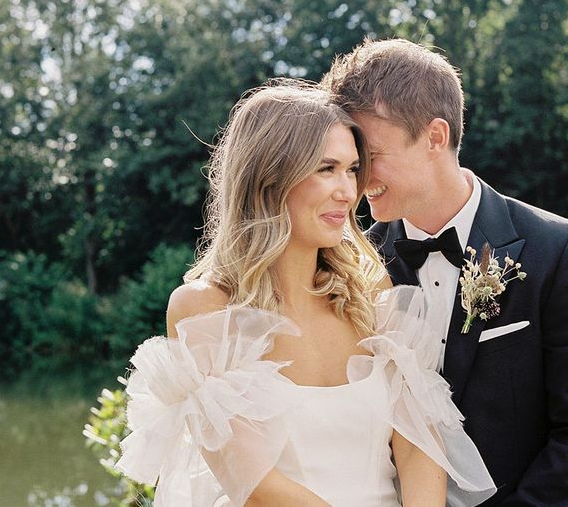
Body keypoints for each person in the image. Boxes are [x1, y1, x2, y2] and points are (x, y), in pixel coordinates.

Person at [114, 80, 495, 507]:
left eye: (353, 170)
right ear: (269, 178)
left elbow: (417, 444)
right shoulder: (204, 308)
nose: (349, 192)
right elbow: (256, 482)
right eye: (326, 168)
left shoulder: (371, 292)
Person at [322, 39, 568, 506]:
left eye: (372, 156)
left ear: (435, 137)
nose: (359, 179)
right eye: (352, 161)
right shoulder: (346, 263)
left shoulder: (561, 252)